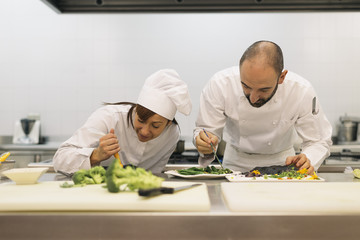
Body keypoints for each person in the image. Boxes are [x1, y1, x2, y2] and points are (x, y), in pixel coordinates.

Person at [194, 40, 332, 175]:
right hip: (235, 166)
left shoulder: (301, 91)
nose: (253, 98)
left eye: (264, 90)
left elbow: (318, 140)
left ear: (281, 77)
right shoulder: (220, 84)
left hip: (283, 165)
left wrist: (308, 159)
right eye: (246, 86)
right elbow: (205, 130)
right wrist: (204, 142)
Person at [53, 69, 192, 174]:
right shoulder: (108, 117)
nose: (144, 131)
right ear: (136, 109)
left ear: (168, 123)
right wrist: (95, 155)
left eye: (155, 125)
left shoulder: (171, 134)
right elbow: (60, 158)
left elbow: (155, 174)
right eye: (141, 120)